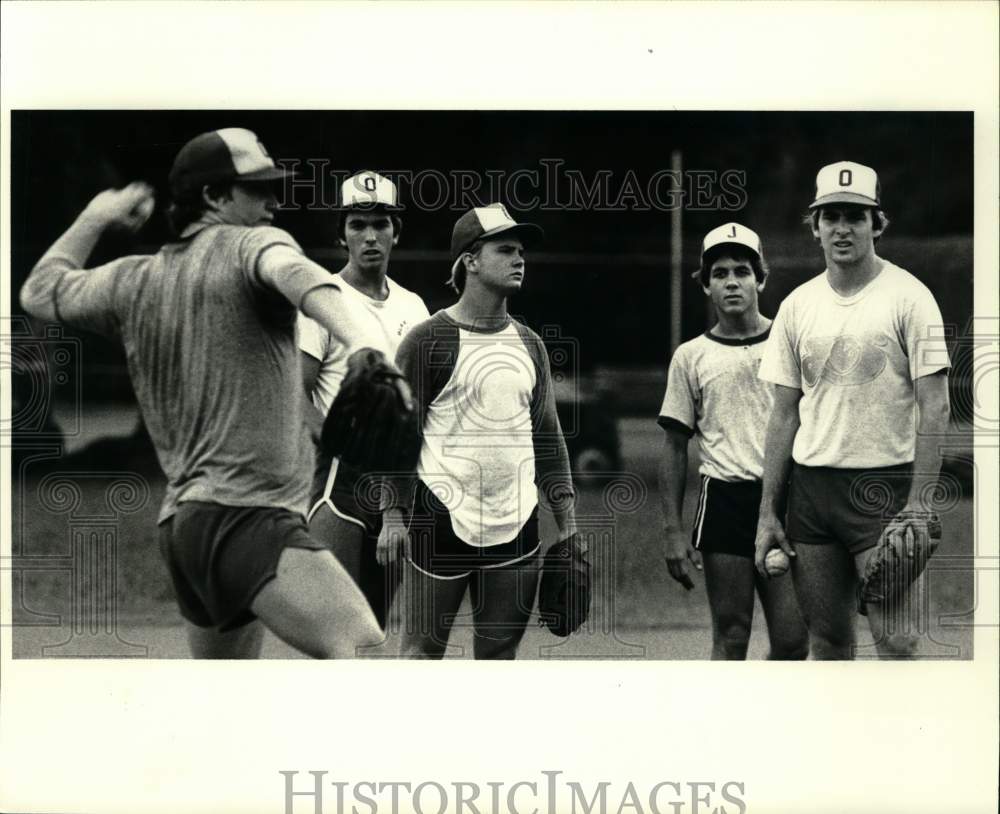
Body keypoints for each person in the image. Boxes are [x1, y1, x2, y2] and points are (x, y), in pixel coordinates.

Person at [19, 128, 401, 659]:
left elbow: (39, 292)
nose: (272, 201)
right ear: (214, 197)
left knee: (224, 699)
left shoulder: (134, 279)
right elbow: (302, 278)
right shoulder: (253, 244)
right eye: (256, 189)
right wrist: (361, 341)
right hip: (249, 518)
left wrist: (96, 217)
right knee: (361, 648)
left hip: (184, 529)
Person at [754, 161, 951, 660]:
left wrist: (920, 501)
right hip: (812, 492)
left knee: (899, 642)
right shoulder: (798, 306)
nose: (842, 227)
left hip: (882, 489)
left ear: (877, 224)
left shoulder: (910, 297)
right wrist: (767, 514)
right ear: (815, 225)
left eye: (856, 216)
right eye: (831, 216)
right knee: (828, 642)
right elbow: (782, 414)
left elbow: (935, 403)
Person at [378, 203, 579, 659]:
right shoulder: (428, 340)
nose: (519, 259)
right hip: (441, 518)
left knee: (498, 660)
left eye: (521, 251)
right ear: (469, 260)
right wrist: (392, 515)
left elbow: (548, 438)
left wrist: (568, 525)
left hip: (517, 521)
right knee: (421, 655)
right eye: (505, 250)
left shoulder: (530, 344)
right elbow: (396, 434)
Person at [659, 223, 808, 660]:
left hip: (784, 497)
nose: (731, 282)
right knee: (731, 633)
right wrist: (673, 531)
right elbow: (673, 445)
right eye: (719, 273)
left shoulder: (791, 340)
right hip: (724, 501)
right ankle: (723, 723)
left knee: (793, 640)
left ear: (760, 278)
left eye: (742, 271)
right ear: (705, 285)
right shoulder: (691, 356)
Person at [299, 171, 429, 629]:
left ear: (397, 230)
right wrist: (334, 442)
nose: (370, 235)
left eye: (381, 223)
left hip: (399, 476)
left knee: (374, 625)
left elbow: (420, 401)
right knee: (333, 623)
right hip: (341, 476)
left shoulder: (414, 308)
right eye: (357, 224)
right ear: (342, 233)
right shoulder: (323, 301)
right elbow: (297, 394)